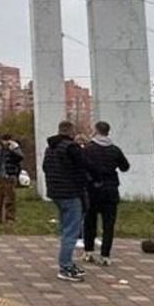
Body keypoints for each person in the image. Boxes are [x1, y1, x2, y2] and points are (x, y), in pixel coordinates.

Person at [42, 120, 91, 282]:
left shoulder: (50, 148)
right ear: (71, 132)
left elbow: (45, 168)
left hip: (56, 192)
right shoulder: (71, 147)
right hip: (71, 192)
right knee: (71, 232)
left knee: (65, 228)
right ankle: (65, 266)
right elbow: (83, 166)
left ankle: (67, 263)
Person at [82, 120, 130, 266]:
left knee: (90, 222)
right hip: (111, 190)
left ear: (96, 131)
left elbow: (82, 167)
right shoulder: (115, 150)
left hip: (92, 190)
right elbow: (125, 167)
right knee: (109, 224)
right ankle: (105, 255)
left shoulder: (88, 149)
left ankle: (89, 251)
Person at [0, 135, 24, 224]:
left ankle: (10, 218)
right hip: (0, 177)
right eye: (4, 140)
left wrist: (14, 149)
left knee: (10, 198)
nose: (5, 143)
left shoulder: (14, 149)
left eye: (7, 140)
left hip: (10, 176)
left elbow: (20, 157)